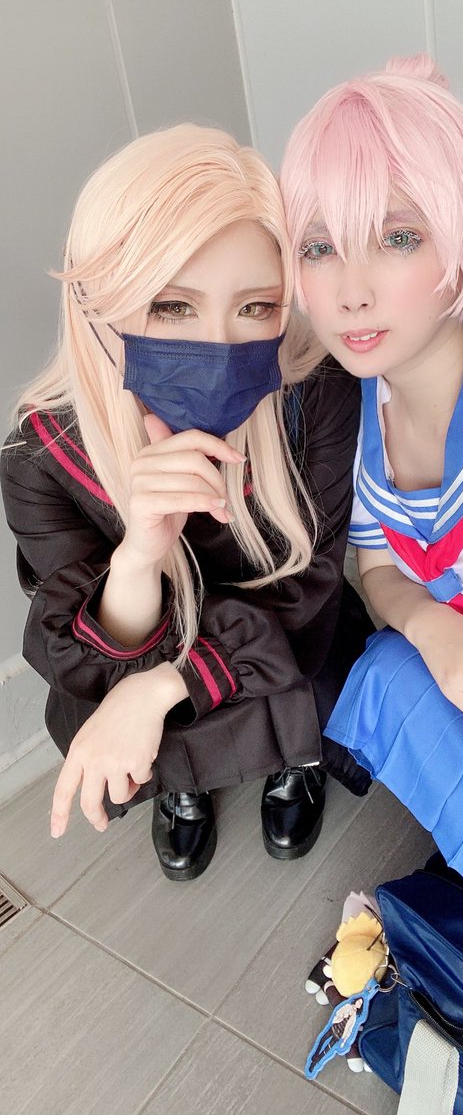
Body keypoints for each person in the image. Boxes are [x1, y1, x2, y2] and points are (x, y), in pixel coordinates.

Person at [1, 123, 372, 882]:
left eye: (256, 306)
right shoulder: (40, 457)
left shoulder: (317, 397)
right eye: (173, 307)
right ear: (99, 301)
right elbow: (87, 655)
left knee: (298, 684)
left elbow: (309, 591)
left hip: (284, 645)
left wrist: (165, 684)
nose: (219, 344)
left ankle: (293, 762)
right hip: (130, 656)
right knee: (135, 710)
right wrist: (139, 555)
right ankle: (185, 782)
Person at [280, 55, 463, 913]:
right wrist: (434, 630)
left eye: (397, 238)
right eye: (320, 248)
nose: (351, 293)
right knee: (387, 672)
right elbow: (378, 568)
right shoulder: (358, 406)